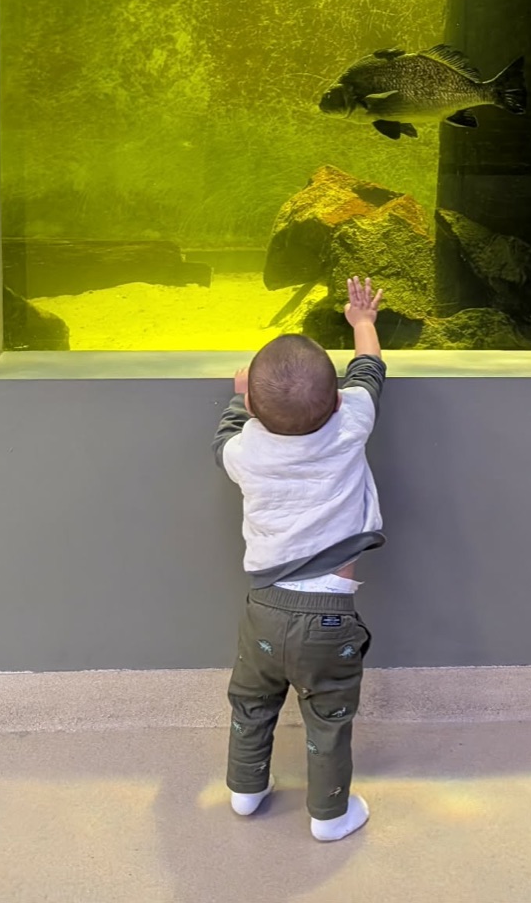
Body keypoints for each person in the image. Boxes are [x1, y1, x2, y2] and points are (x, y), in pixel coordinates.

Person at [212, 275, 387, 842]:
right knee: (328, 719)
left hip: (262, 609)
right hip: (327, 620)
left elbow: (224, 439)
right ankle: (330, 816)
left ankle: (245, 790)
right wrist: (363, 323)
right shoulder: (351, 424)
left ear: (251, 407)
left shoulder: (246, 451)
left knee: (251, 702)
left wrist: (239, 397)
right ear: (336, 402)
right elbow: (369, 373)